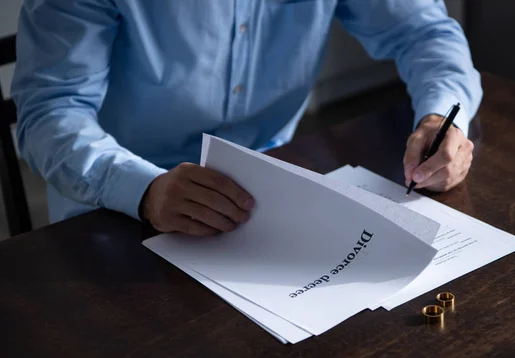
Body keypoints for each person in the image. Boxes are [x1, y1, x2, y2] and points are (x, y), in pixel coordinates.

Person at [11, 0, 482, 237]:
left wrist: (441, 116)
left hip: (269, 191)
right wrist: (145, 190)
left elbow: (424, 33)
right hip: (113, 209)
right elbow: (50, 110)